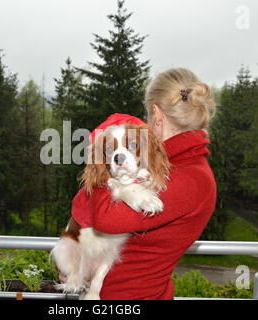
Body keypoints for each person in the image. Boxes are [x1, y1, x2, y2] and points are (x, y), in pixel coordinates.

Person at [71, 68, 217, 300]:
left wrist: (102, 159)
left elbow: (105, 219)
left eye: (148, 116)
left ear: (157, 114)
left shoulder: (190, 177)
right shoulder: (172, 163)